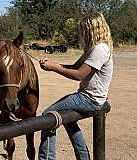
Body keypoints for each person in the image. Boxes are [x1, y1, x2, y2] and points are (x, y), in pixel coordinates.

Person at [38, 12, 113, 160]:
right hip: (89, 98)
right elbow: (74, 66)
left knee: (47, 115)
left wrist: (54, 68)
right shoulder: (93, 48)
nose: (81, 34)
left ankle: (46, 158)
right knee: (69, 120)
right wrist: (53, 64)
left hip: (89, 99)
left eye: (83, 30)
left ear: (92, 30)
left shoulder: (99, 49)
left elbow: (79, 74)